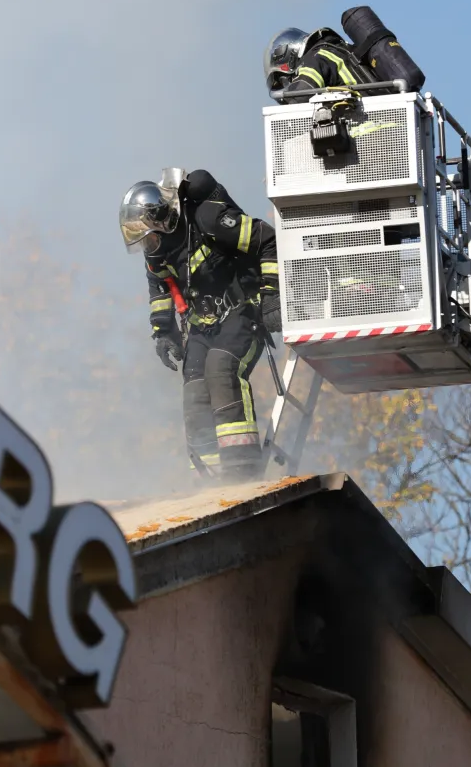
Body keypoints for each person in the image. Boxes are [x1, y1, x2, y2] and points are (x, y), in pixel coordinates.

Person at [119, 168, 281, 482]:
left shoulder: (207, 219)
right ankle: (207, 483)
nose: (148, 245)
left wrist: (272, 296)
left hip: (241, 313)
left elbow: (267, 239)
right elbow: (160, 287)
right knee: (194, 391)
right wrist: (163, 331)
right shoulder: (157, 252)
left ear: (163, 220)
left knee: (221, 370)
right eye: (143, 241)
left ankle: (242, 473)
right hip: (201, 327)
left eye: (150, 236)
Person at [263, 26, 374, 103]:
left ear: (290, 57)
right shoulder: (333, 50)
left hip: (368, 128)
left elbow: (300, 95)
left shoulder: (314, 58)